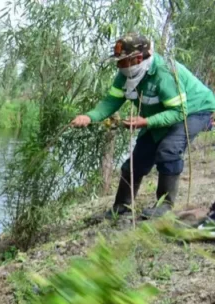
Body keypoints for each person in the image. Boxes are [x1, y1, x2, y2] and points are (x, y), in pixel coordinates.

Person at [72, 33, 215, 218]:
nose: (118, 65)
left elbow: (179, 112)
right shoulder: (125, 75)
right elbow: (110, 102)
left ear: (138, 58)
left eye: (122, 61)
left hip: (196, 110)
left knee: (169, 150)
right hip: (162, 114)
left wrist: (146, 122)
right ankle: (121, 207)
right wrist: (89, 117)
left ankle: (164, 206)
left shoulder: (163, 73)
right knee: (137, 159)